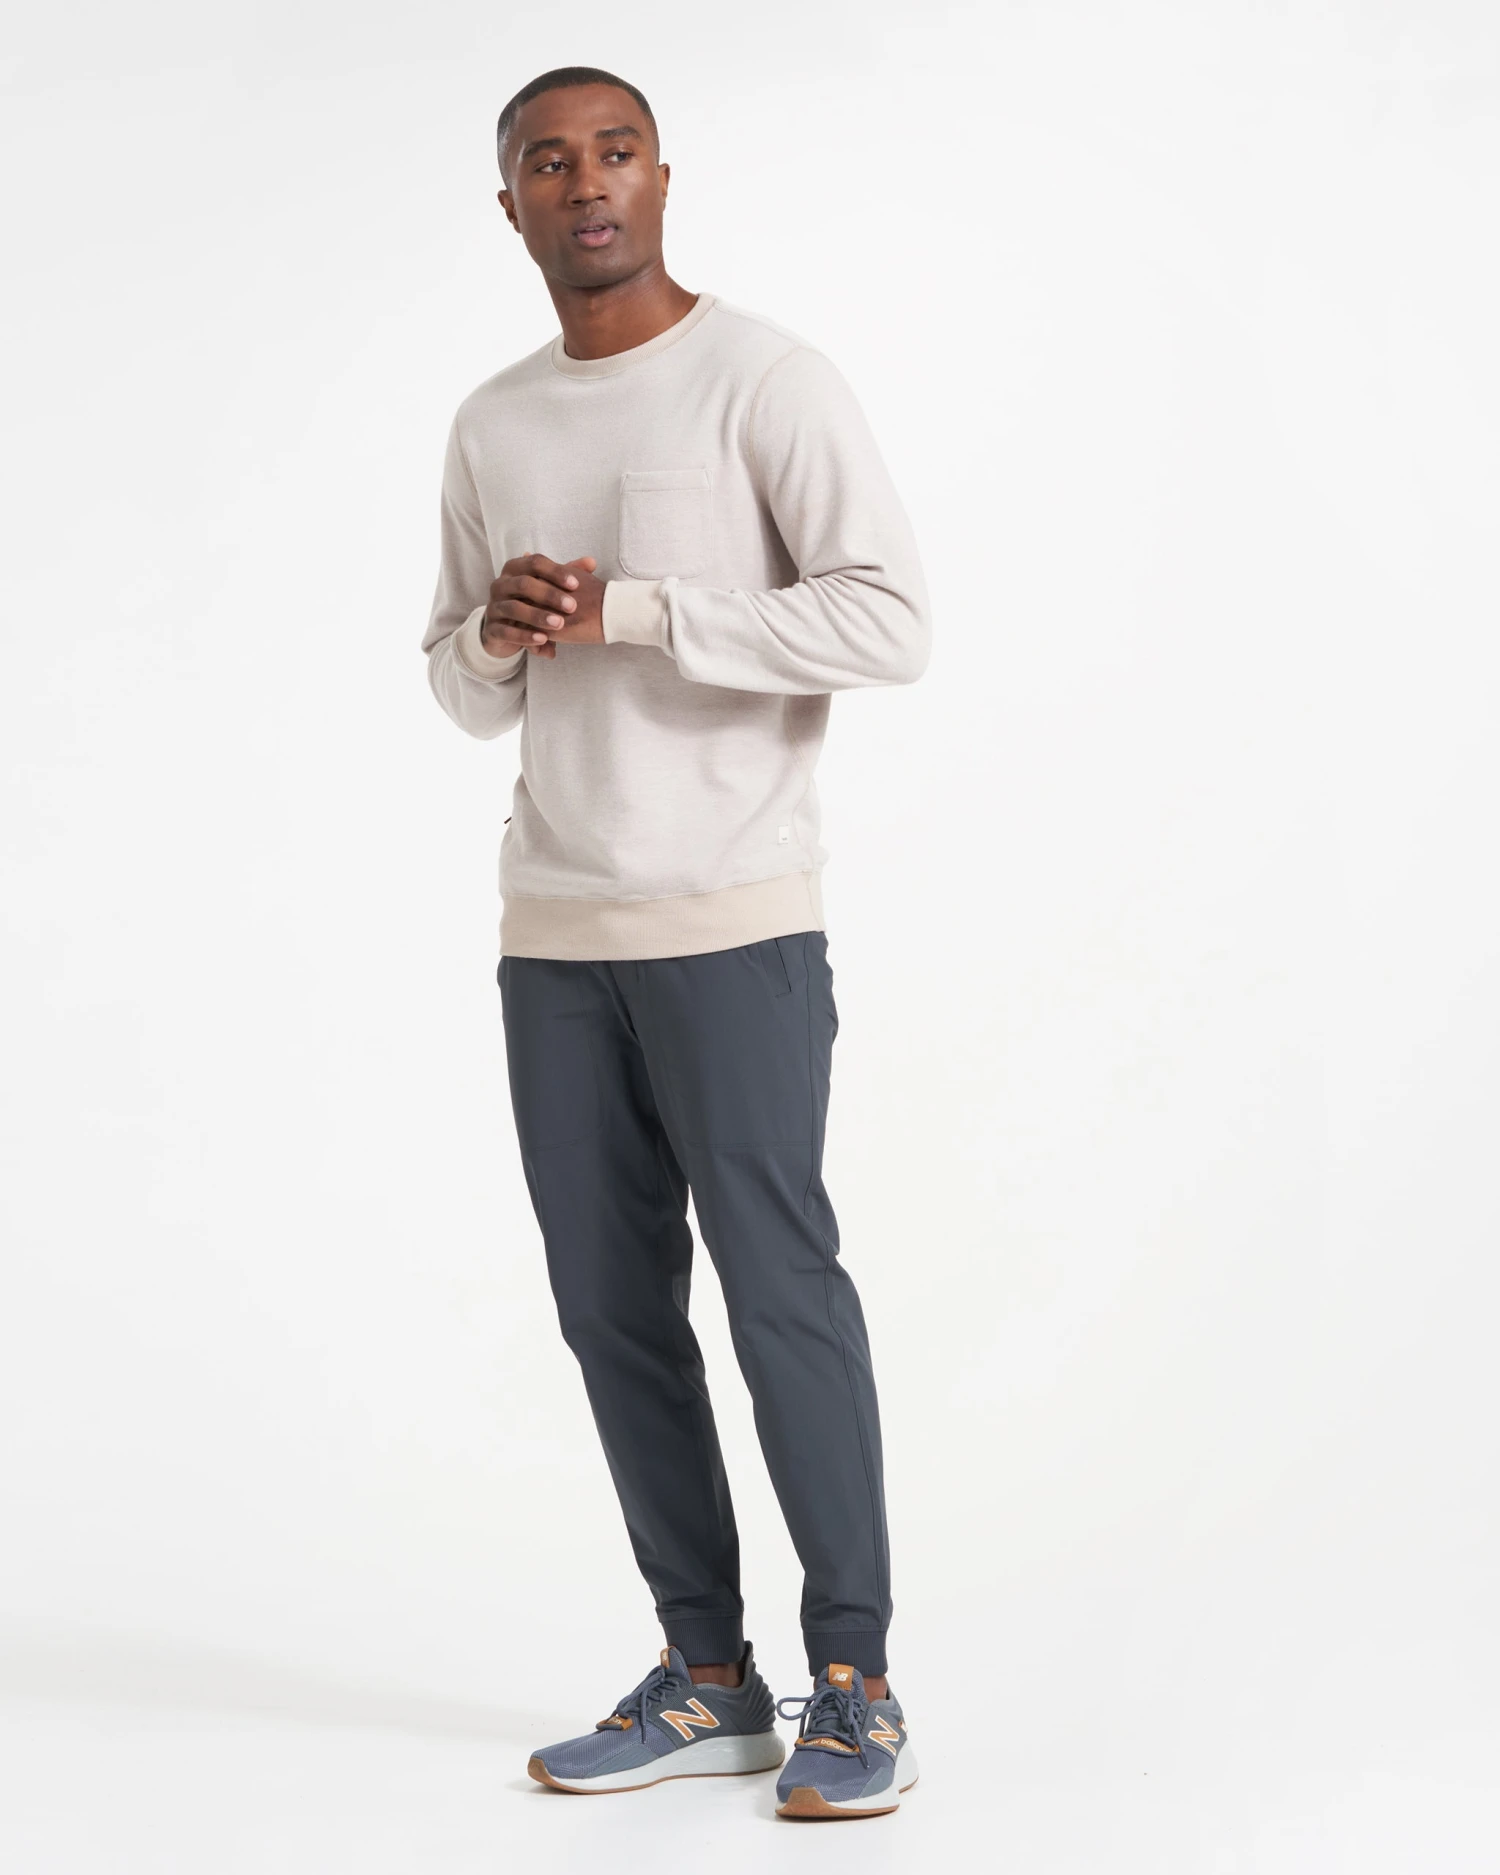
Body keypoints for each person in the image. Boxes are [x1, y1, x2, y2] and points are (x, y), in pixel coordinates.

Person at [420, 64, 931, 1820]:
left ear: (660, 176)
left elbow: (888, 620)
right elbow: (457, 686)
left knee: (780, 1286)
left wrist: (635, 611)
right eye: (547, 161)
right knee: (608, 1306)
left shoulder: (764, 379)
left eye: (615, 152)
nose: (586, 182)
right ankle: (709, 1674)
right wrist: (497, 636)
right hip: (555, 931)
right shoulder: (492, 421)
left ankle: (855, 1680)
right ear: (509, 203)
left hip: (732, 918)